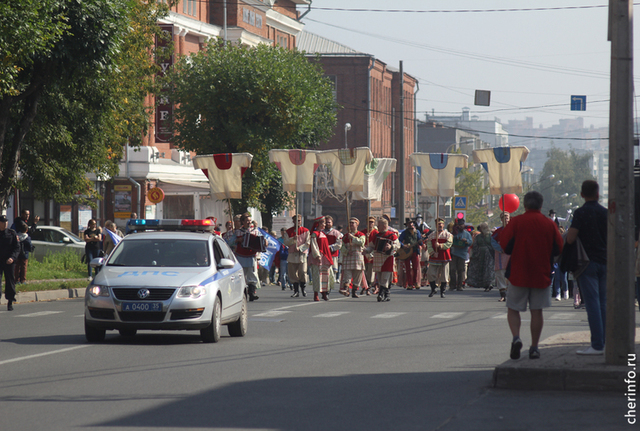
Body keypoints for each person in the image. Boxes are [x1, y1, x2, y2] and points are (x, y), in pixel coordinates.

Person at [500, 191, 563, 360]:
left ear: (525, 205)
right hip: (541, 273)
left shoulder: (516, 222)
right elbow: (559, 247)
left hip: (518, 272)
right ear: (541, 205)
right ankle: (534, 347)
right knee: (537, 311)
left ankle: (516, 337)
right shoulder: (549, 224)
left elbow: (505, 245)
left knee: (513, 308)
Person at [566, 180, 607, 355]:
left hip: (587, 263)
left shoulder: (580, 213)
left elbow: (570, 238)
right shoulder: (606, 212)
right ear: (598, 194)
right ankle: (606, 342)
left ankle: (597, 345)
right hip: (605, 262)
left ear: (582, 194)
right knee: (603, 304)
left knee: (592, 304)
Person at [366, 217, 400, 302]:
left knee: (385, 277)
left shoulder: (392, 235)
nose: (377, 226)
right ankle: (386, 293)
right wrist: (366, 250)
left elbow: (398, 245)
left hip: (387, 258)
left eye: (379, 225)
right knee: (380, 277)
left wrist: (391, 246)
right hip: (378, 257)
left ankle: (381, 294)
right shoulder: (377, 236)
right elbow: (371, 246)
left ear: (384, 226)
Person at [233, 213, 265, 301]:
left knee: (252, 274)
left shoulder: (255, 231)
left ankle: (251, 293)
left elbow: (261, 241)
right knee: (242, 275)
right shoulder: (237, 232)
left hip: (251, 255)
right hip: (241, 255)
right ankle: (241, 294)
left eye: (250, 221)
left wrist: (264, 243)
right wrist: (238, 240)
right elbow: (231, 242)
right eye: (247, 221)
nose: (249, 222)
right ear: (242, 221)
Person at [309, 216, 334, 301]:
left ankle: (324, 293)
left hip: (325, 258)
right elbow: (314, 245)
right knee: (317, 276)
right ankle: (316, 294)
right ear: (318, 224)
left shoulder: (323, 234)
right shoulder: (314, 234)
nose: (324, 224)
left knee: (325, 276)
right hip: (318, 257)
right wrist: (317, 255)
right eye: (322, 223)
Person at [284, 215, 310, 298]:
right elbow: (286, 242)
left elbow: (308, 243)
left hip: (301, 255)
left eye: (299, 220)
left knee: (302, 272)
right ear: (293, 221)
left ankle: (303, 288)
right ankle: (296, 291)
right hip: (292, 255)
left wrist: (301, 248)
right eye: (296, 220)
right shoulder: (288, 232)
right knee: (293, 274)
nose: (298, 222)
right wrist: (293, 239)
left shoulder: (306, 231)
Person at [426, 218, 453, 298]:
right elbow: (429, 245)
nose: (440, 225)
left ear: (443, 225)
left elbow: (449, 244)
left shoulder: (448, 235)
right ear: (436, 225)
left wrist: (440, 246)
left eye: (441, 224)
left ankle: (442, 291)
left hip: (444, 257)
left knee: (444, 275)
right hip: (435, 257)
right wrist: (433, 253)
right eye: (438, 224)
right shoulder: (431, 235)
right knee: (430, 274)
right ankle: (433, 288)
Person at [340, 217, 366, 298]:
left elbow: (362, 242)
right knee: (347, 275)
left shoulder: (361, 235)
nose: (351, 224)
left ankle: (354, 292)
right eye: (350, 223)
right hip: (349, 256)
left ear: (357, 225)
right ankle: (346, 289)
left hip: (358, 257)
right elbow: (341, 246)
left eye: (353, 223)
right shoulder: (345, 236)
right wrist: (347, 251)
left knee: (357, 276)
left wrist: (353, 238)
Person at [466, 222, 496, 292]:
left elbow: (493, 245)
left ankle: (489, 283)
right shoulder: (478, 237)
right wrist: (474, 255)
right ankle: (481, 283)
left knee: (488, 269)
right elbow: (475, 245)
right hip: (479, 255)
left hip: (489, 255)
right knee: (480, 268)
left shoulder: (491, 236)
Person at [0, 215, 20, 310]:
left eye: (6, 222)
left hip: (9, 261)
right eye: (3, 222)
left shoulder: (12, 233)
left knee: (10, 281)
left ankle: (10, 301)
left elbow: (17, 248)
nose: (5, 224)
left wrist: (12, 258)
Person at [491, 212, 511, 302]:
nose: (505, 219)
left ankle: (511, 295)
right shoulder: (498, 231)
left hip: (511, 254)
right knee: (500, 274)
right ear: (501, 219)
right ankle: (503, 295)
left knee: (511, 274)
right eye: (503, 217)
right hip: (500, 254)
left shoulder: (514, 230)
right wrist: (500, 248)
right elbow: (492, 241)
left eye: (507, 217)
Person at [398, 220, 422, 290]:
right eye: (409, 224)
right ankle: (410, 284)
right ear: (407, 225)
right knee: (407, 268)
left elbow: (420, 241)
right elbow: (399, 240)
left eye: (412, 223)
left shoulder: (417, 232)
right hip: (407, 252)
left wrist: (420, 242)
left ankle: (415, 282)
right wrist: (403, 246)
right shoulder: (404, 233)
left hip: (414, 251)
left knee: (415, 268)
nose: (411, 225)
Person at [450, 218, 473, 291]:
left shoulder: (467, 234)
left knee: (461, 270)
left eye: (462, 225)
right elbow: (450, 241)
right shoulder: (454, 233)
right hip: (454, 253)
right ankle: (452, 285)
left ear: (464, 225)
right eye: (459, 225)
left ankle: (459, 286)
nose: (460, 226)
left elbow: (470, 242)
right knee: (452, 270)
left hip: (462, 254)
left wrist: (466, 241)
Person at [323, 215, 343, 291]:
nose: (327, 224)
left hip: (332, 255)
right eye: (326, 222)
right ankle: (325, 289)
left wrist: (330, 247)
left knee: (331, 274)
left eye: (329, 222)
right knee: (324, 274)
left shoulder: (336, 233)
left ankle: (329, 288)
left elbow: (339, 244)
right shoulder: (321, 232)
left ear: (332, 223)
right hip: (323, 256)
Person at [361, 216, 378, 295]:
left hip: (372, 255)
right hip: (364, 254)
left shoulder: (376, 233)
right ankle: (364, 286)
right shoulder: (363, 232)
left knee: (371, 273)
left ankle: (369, 287)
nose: (370, 224)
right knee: (364, 272)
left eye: (372, 222)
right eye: (369, 222)